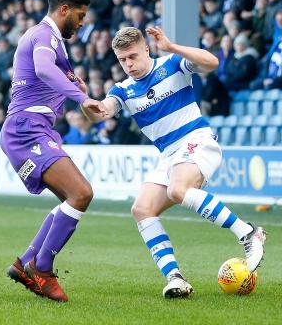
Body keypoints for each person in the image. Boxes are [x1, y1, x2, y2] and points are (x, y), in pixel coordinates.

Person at [82, 27, 266, 299]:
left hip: (196, 140)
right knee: (142, 209)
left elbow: (212, 62)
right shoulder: (123, 89)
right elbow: (100, 114)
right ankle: (175, 277)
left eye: (132, 56)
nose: (128, 64)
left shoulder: (171, 64)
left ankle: (248, 232)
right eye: (122, 60)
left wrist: (172, 47)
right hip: (169, 155)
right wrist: (85, 100)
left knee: (177, 191)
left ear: (146, 49)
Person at [0, 0, 106, 302]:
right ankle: (42, 270)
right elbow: (44, 70)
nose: (83, 22)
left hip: (30, 129)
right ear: (64, 10)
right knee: (82, 192)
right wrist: (81, 97)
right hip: (26, 129)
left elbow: (46, 78)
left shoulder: (50, 41)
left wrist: (74, 88)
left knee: (71, 199)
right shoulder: (43, 35)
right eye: (80, 15)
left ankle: (26, 263)